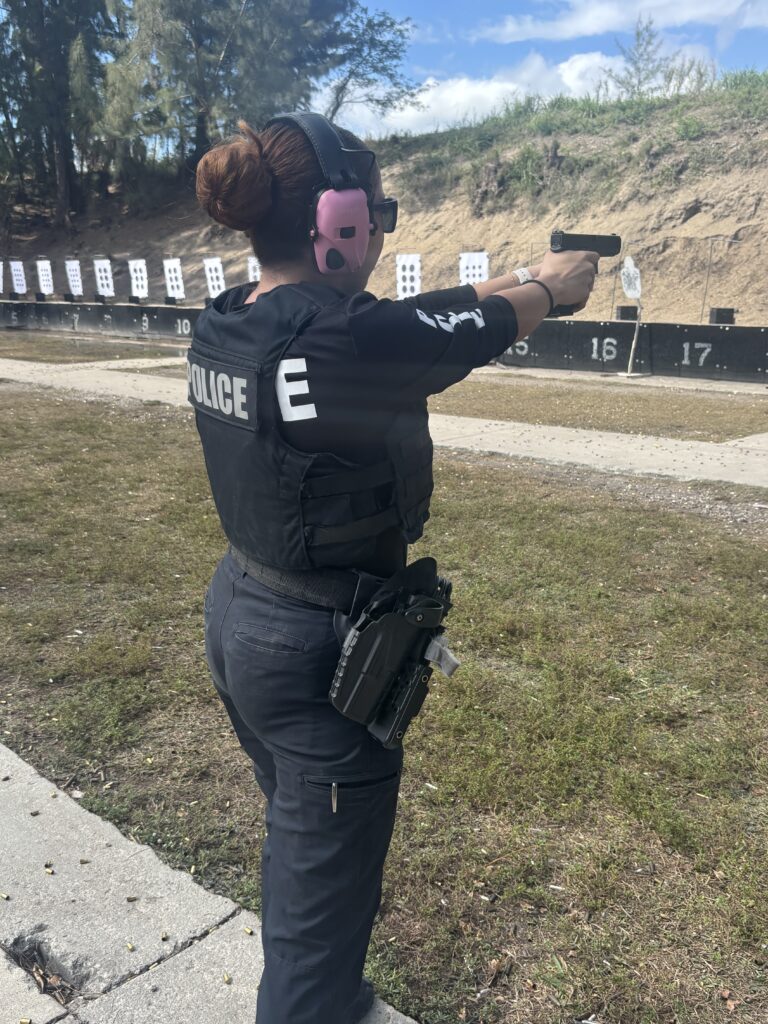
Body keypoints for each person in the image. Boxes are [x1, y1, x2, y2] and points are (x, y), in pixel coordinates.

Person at [191, 111, 597, 1024]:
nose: (379, 229)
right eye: (376, 213)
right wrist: (553, 288)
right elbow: (463, 326)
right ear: (337, 223)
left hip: (244, 613)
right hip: (317, 655)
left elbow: (418, 319)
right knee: (313, 925)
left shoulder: (232, 323)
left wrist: (519, 275)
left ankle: (332, 992)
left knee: (306, 854)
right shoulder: (349, 342)